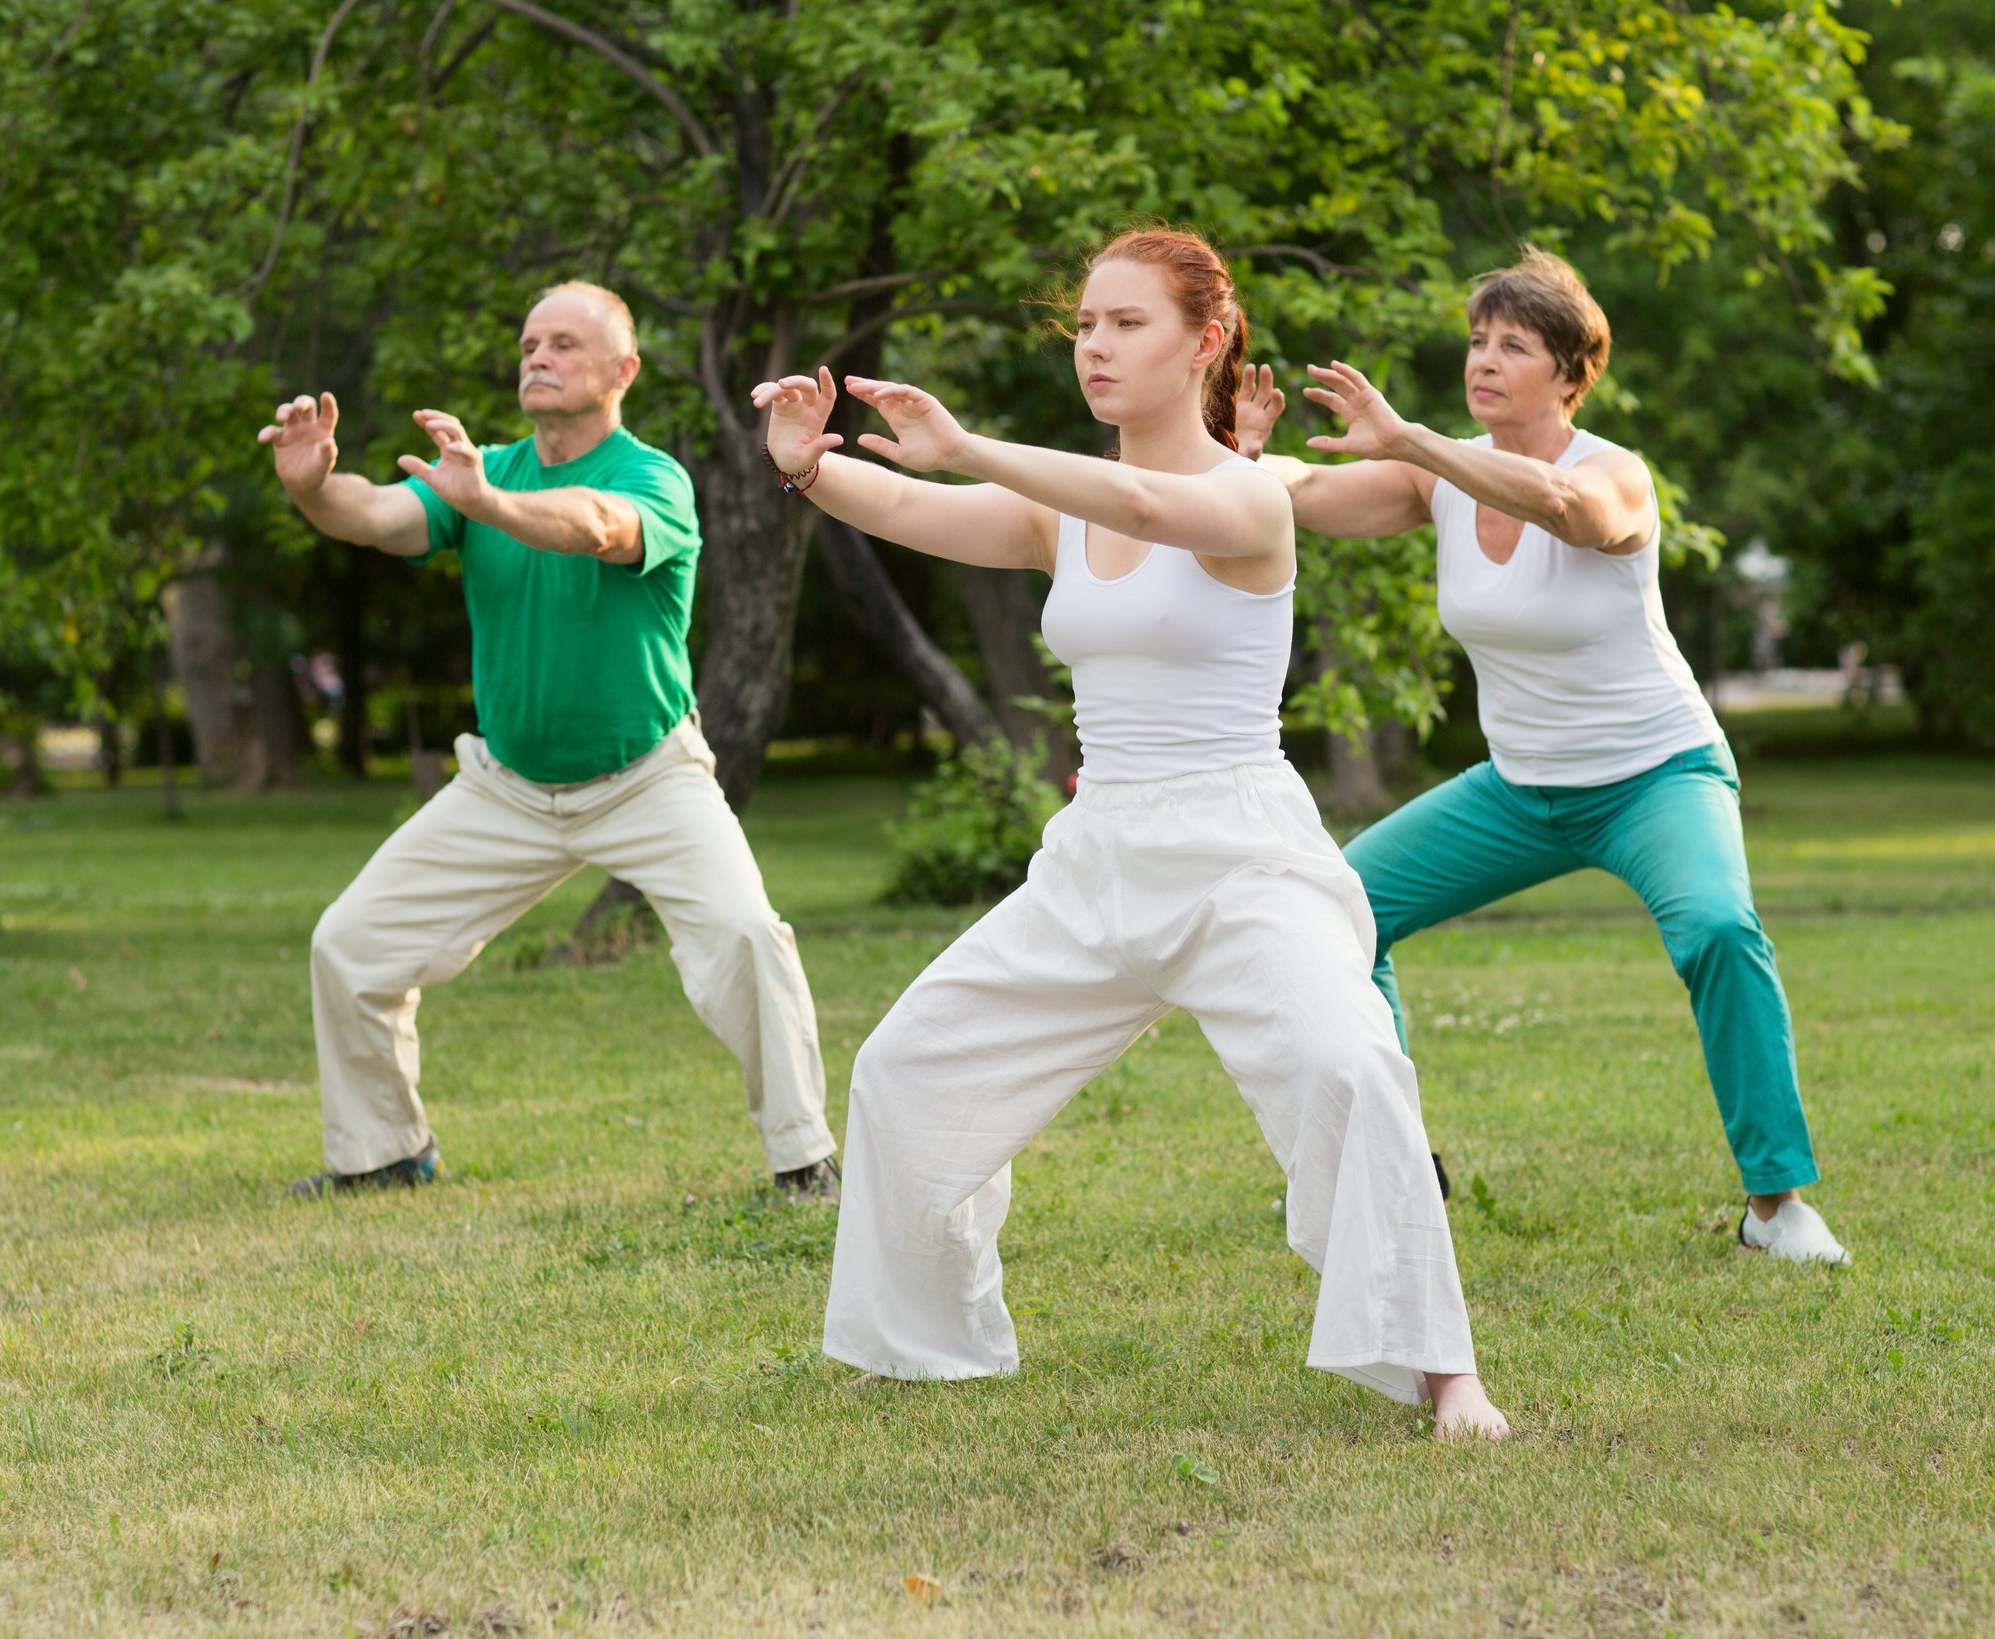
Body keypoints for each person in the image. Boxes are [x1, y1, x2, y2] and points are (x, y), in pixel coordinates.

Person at [754, 229, 1509, 1438]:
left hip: (1241, 860)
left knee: (1350, 1068)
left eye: (1126, 324)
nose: (1094, 347)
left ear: (1205, 343)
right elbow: (909, 502)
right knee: (903, 1069)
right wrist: (807, 467)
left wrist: (965, 442)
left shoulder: (1249, 494)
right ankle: (922, 1347)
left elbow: (1153, 498)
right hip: (1096, 858)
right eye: (1085, 326)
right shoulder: (1060, 513)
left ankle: (1441, 1370)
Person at [1237, 246, 1848, 1265]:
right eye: (1477, 340)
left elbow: (1572, 514)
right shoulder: (1433, 482)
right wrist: (1240, 455)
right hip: (1519, 790)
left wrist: (1414, 440)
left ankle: (1776, 1207)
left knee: (1715, 929)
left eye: (1512, 345)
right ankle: (1394, 1167)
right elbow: (1301, 494)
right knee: (1338, 911)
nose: (1484, 359)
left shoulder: (1611, 471)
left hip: (1656, 774)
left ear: (1570, 376)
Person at [257, 281, 839, 1201]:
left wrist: (485, 503)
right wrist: (312, 487)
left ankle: (804, 1157)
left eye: (566, 344)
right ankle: (385, 1153)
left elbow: (597, 527)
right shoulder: (476, 470)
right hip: (508, 788)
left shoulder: (653, 479)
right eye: (531, 342)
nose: (539, 356)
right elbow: (371, 515)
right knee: (349, 944)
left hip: (648, 777)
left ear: (623, 371)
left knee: (746, 937)